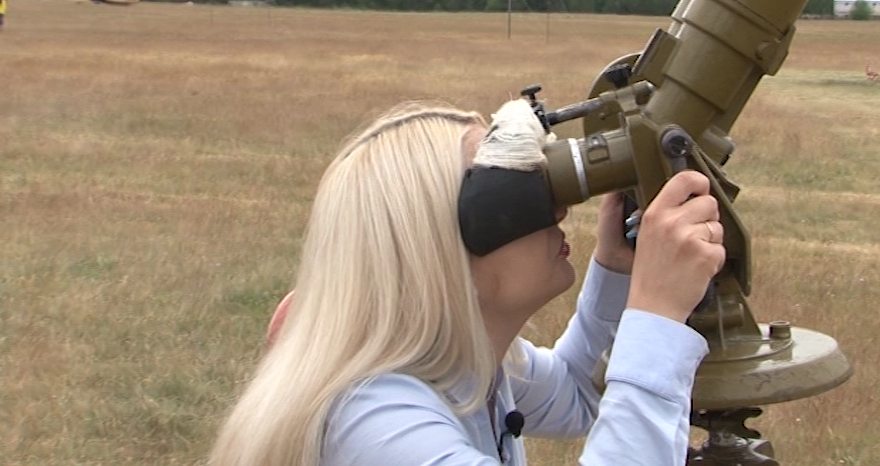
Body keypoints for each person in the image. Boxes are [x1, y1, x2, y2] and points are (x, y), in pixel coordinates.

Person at [209, 98, 724, 466]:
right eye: (514, 187)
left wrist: (617, 269)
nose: (558, 208)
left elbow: (578, 393)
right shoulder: (373, 421)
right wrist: (655, 315)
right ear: (433, 244)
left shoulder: (466, 364)